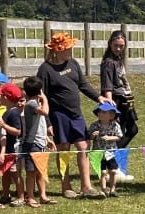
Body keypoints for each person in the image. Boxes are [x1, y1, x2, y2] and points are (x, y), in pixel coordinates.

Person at [35, 32, 111, 199]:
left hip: (76, 114)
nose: (70, 50)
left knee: (83, 147)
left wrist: (99, 97)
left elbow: (83, 85)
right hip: (58, 115)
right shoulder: (45, 69)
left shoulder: (73, 63)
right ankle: (66, 186)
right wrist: (47, 122)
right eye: (67, 48)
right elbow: (42, 97)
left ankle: (86, 186)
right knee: (63, 150)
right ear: (57, 50)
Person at [99, 30, 139, 152]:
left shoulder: (117, 60)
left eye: (121, 46)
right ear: (110, 44)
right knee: (118, 132)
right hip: (116, 101)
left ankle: (115, 154)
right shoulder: (108, 62)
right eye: (116, 45)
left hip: (126, 99)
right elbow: (107, 87)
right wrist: (112, 110)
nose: (118, 48)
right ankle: (111, 160)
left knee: (133, 129)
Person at [20, 76, 55, 208]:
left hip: (40, 142)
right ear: (40, 90)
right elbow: (45, 112)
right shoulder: (31, 104)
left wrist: (47, 139)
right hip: (31, 144)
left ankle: (43, 196)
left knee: (41, 171)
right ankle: (30, 197)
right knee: (31, 172)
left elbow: (39, 124)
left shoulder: (36, 104)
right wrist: (45, 99)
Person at [0, 83, 25, 207]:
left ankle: (21, 196)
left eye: (1, 96)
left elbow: (18, 131)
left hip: (13, 148)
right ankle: (5, 194)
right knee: (5, 172)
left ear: (6, 98)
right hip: (6, 148)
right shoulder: (8, 112)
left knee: (14, 173)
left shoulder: (13, 113)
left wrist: (4, 126)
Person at [88, 102, 123, 197]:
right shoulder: (94, 125)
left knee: (113, 171)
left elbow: (119, 137)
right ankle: (103, 189)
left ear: (111, 115)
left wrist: (109, 138)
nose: (100, 114)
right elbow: (89, 137)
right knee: (102, 172)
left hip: (111, 152)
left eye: (104, 112)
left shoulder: (115, 125)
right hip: (99, 152)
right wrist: (92, 135)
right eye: (99, 112)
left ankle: (112, 189)